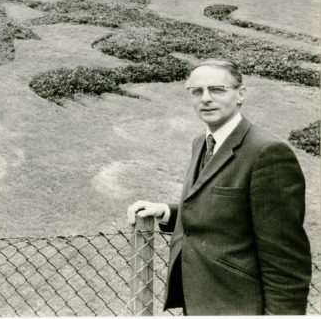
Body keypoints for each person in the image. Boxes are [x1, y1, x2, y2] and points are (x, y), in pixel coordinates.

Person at [127, 58, 311, 315]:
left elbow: (286, 262)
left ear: (240, 94)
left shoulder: (267, 153)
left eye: (216, 89)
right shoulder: (201, 143)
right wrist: (166, 212)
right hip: (199, 302)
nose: (205, 98)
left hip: (240, 306)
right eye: (196, 91)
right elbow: (224, 211)